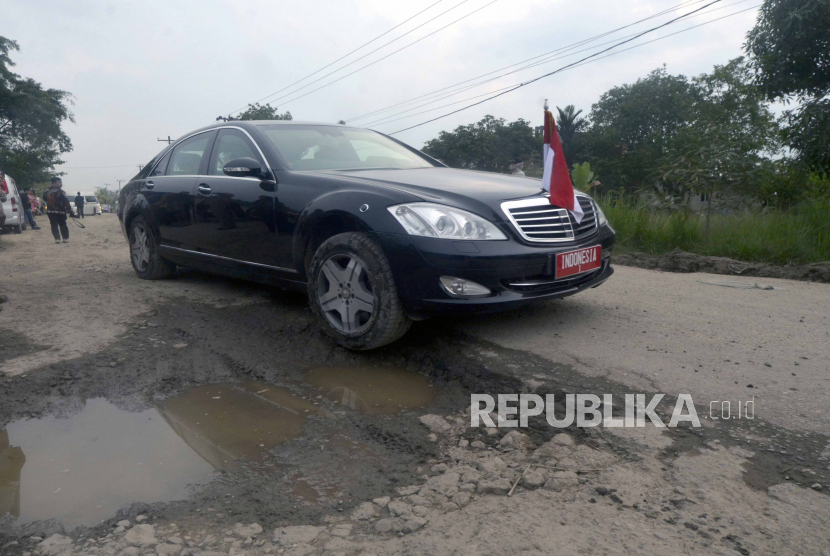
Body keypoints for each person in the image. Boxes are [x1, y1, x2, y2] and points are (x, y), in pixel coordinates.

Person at [44, 177, 76, 243]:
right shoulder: (62, 192)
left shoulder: (46, 191)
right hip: (61, 211)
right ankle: (65, 238)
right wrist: (70, 210)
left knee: (54, 225)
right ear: (54, 183)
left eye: (61, 182)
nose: (61, 184)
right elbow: (66, 202)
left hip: (50, 211)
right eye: (59, 182)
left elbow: (45, 199)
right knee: (63, 224)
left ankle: (57, 239)